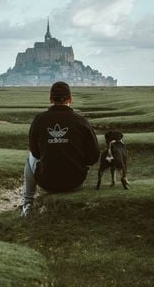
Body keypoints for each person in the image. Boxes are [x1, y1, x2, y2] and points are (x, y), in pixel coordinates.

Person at [21, 81, 100, 216]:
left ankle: (27, 203)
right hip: (75, 181)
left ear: (51, 99)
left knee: (30, 157)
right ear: (70, 99)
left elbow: (35, 152)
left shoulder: (39, 120)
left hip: (47, 182)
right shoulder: (81, 121)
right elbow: (94, 156)